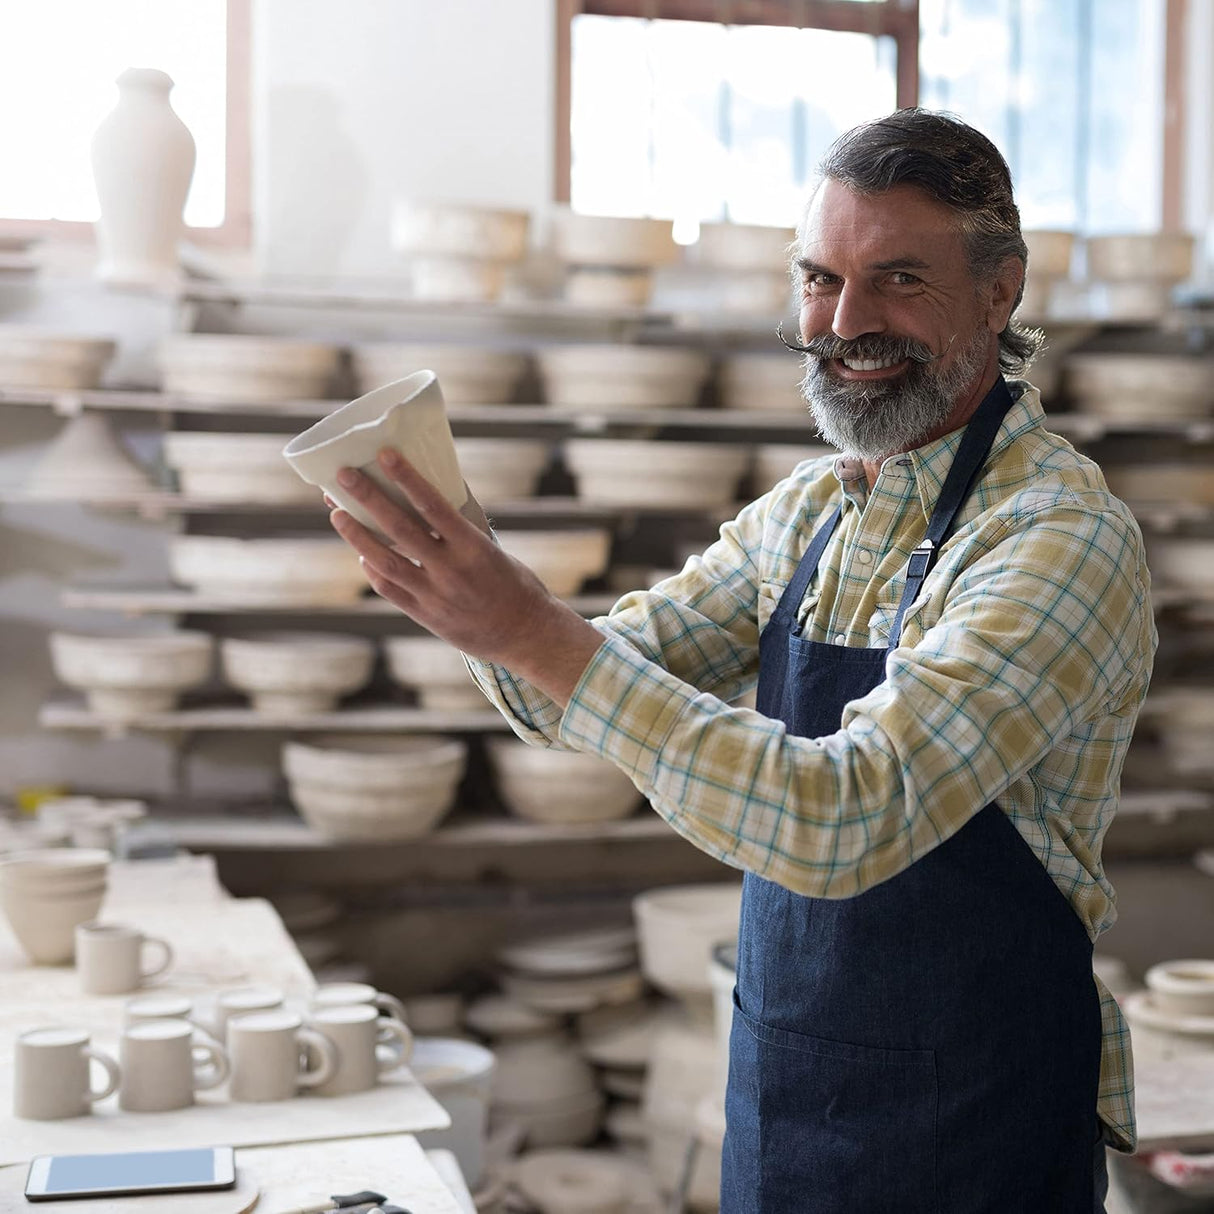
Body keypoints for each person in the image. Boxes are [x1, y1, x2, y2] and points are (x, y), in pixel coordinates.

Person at [327, 109, 1156, 1212]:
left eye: (897, 278)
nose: (845, 320)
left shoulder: (1054, 538)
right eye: (819, 278)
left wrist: (529, 627)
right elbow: (563, 693)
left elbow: (845, 814)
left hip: (977, 1125)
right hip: (789, 1095)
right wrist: (465, 564)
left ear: (997, 292)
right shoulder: (807, 513)